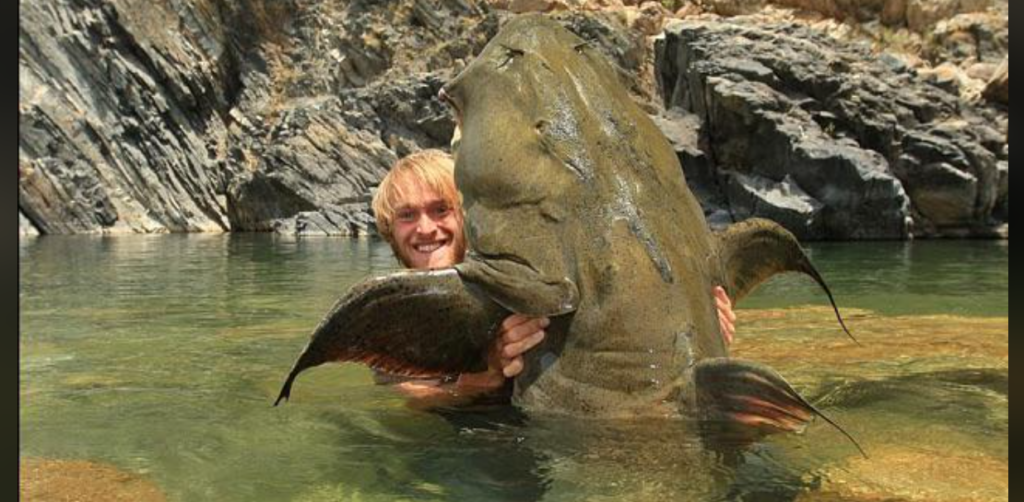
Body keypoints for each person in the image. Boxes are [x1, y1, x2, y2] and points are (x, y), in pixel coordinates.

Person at [370, 149, 736, 405]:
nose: (426, 228)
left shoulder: (530, 281)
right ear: (389, 230)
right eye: (407, 216)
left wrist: (696, 334)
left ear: (468, 215)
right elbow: (415, 397)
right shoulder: (387, 320)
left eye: (441, 210)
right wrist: (488, 374)